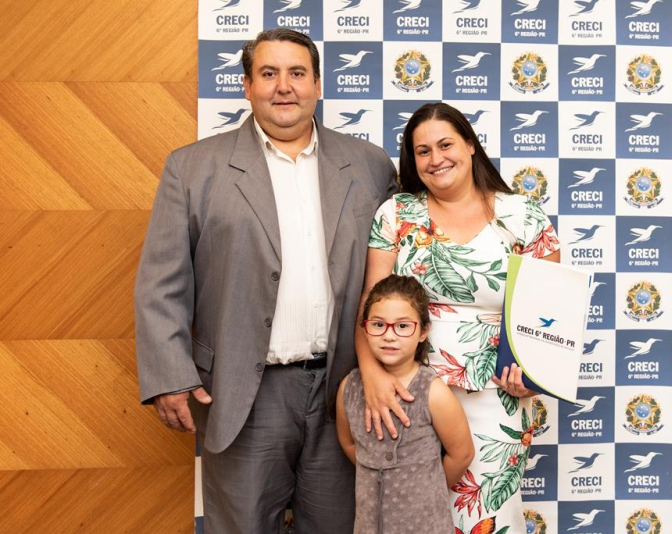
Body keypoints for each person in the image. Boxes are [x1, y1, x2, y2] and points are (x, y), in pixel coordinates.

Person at [134, 28, 398, 533]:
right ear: (247, 85)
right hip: (244, 395)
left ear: (318, 84)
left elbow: (403, 272)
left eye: (297, 73)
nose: (284, 86)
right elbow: (161, 284)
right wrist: (169, 374)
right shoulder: (192, 168)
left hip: (346, 389)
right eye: (269, 73)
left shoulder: (369, 165)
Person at [356, 102, 561, 532]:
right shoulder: (396, 215)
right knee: (410, 516)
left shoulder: (523, 216)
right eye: (423, 151)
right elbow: (370, 306)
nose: (436, 159)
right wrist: (372, 375)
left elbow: (549, 313)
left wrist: (536, 375)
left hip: (499, 395)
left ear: (470, 145)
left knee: (488, 517)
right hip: (409, 394)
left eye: (445, 144)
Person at [336, 275, 474, 534]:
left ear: (423, 332)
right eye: (378, 324)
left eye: (402, 326)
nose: (389, 336)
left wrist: (426, 488)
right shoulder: (349, 388)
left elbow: (462, 454)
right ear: (364, 328)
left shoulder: (433, 392)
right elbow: (349, 443)